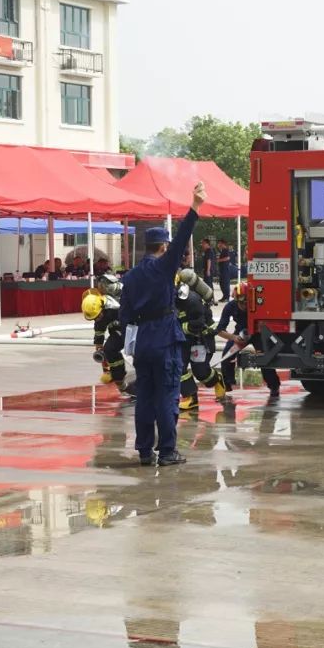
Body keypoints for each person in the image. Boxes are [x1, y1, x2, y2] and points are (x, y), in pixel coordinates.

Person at [119, 183, 204, 467]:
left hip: (143, 340)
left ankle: (144, 451)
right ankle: (168, 451)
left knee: (144, 397)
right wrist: (194, 207)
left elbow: (125, 316)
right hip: (165, 337)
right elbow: (183, 239)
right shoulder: (164, 266)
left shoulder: (130, 277)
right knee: (168, 395)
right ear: (164, 246)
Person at [215, 283, 281, 396]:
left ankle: (274, 386)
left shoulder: (258, 304)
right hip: (240, 333)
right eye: (242, 303)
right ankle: (228, 384)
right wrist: (234, 337)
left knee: (265, 358)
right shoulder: (230, 307)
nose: (245, 306)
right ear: (236, 300)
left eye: (247, 302)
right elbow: (219, 330)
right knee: (226, 356)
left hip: (258, 333)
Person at [175, 282, 226, 410]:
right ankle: (191, 398)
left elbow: (198, 324)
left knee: (201, 373)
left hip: (200, 339)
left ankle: (217, 379)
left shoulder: (191, 300)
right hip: (182, 340)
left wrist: (177, 328)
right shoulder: (165, 299)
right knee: (178, 367)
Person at [83, 278, 128, 392]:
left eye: (98, 316)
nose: (97, 319)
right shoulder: (98, 314)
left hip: (134, 326)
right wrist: (105, 369)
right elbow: (99, 334)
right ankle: (119, 380)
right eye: (94, 318)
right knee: (109, 349)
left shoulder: (116, 305)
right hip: (118, 331)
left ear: (102, 306)